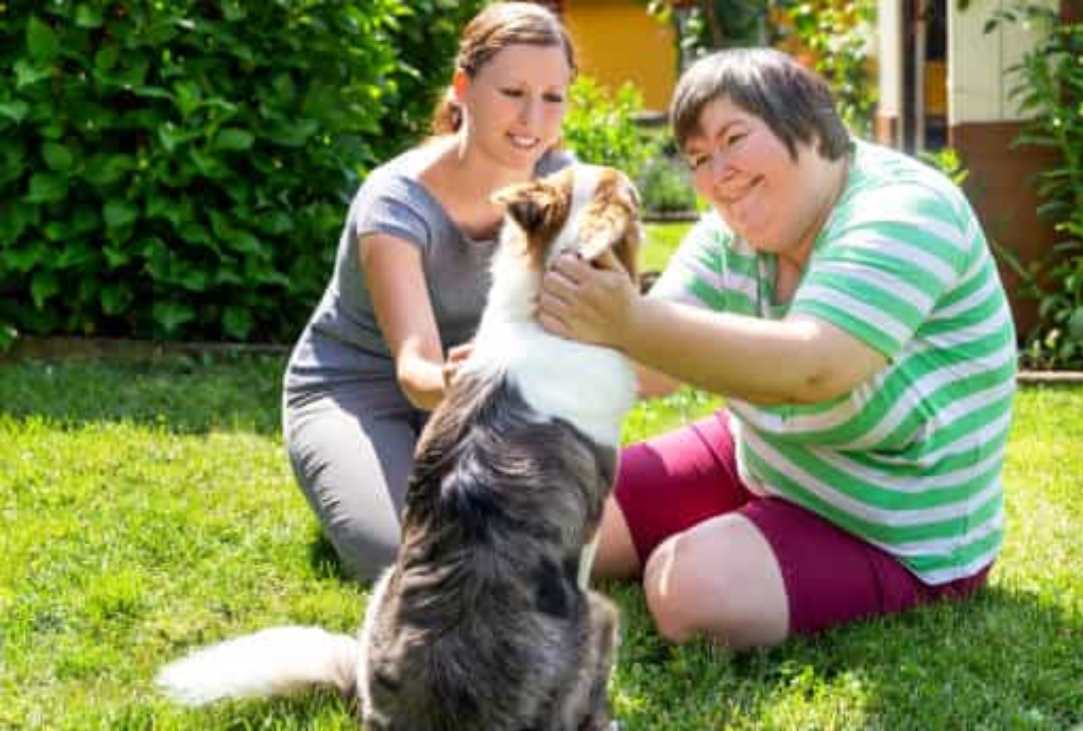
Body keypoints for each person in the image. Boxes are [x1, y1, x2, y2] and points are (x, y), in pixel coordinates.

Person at [538, 48, 1017, 648]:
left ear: (809, 123)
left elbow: (814, 368)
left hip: (891, 523)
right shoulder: (732, 229)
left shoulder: (903, 210)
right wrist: (530, 357)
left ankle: (752, 549)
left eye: (734, 139)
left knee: (686, 589)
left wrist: (627, 320)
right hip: (765, 455)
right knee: (545, 515)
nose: (718, 175)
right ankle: (742, 532)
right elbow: (655, 369)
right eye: (699, 159)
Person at [282, 2, 577, 583]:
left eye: (552, 97)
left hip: (484, 396)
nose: (532, 119)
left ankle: (422, 478)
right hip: (362, 391)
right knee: (405, 560)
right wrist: (451, 381)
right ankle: (358, 472)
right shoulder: (394, 200)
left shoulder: (561, 186)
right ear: (463, 87)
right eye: (512, 91)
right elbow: (415, 368)